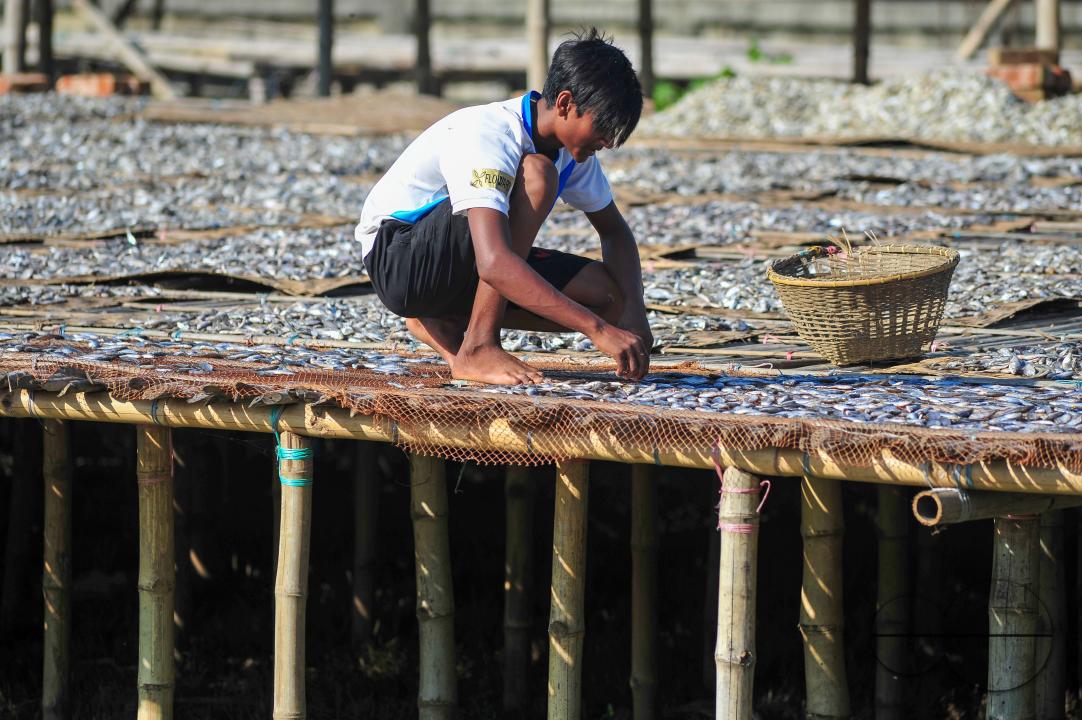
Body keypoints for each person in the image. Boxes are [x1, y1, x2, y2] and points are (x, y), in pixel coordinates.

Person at [355, 28, 653, 385]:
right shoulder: (490, 133)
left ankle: (443, 317)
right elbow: (494, 262)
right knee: (538, 176)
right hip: (400, 259)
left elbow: (615, 231)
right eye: (602, 127)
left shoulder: (576, 154)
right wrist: (597, 330)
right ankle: (478, 346)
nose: (607, 142)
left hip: (463, 262)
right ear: (564, 104)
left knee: (609, 296)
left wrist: (635, 313)